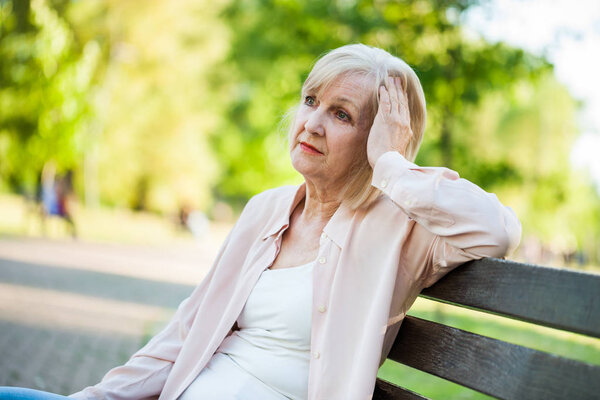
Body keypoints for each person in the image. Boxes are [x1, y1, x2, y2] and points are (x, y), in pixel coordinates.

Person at [0, 43, 521, 400]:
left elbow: (497, 230)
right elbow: (185, 334)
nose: (312, 123)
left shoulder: (400, 229)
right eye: (310, 101)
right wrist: (93, 396)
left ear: (383, 137)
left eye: (341, 114)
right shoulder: (266, 210)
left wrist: (393, 167)